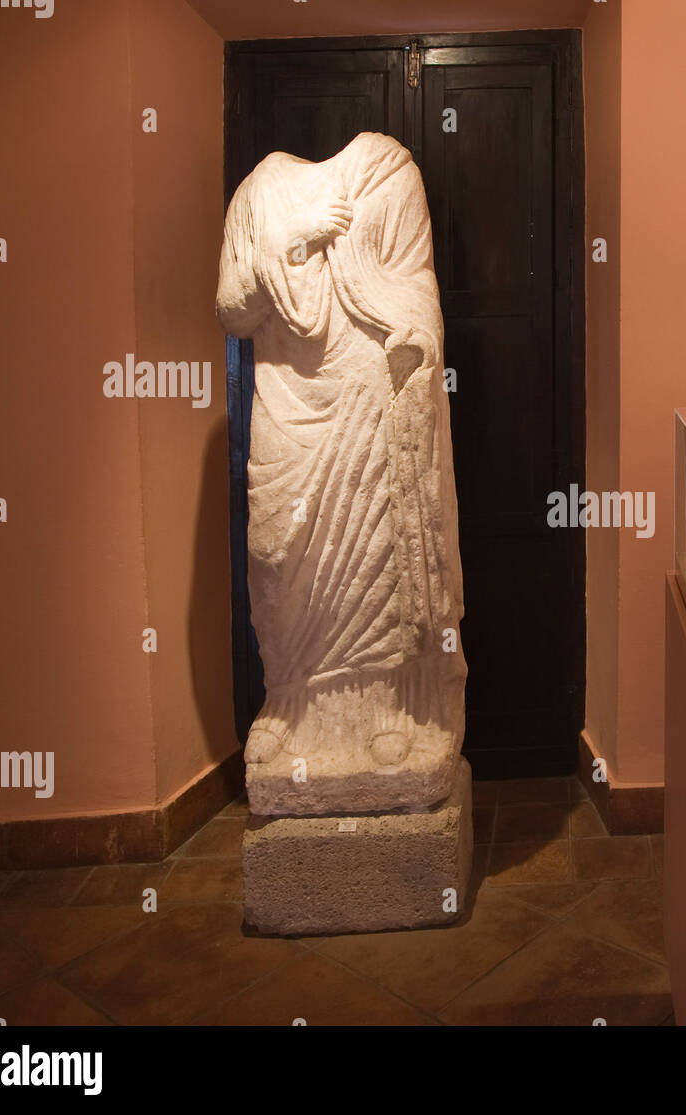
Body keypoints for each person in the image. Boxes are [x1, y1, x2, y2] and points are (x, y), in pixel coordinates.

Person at [216, 133, 466, 785]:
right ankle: (289, 699)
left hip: (367, 393)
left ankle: (385, 703)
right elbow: (232, 309)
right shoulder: (260, 191)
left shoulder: (389, 173)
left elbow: (415, 287)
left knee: (378, 552)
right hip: (286, 404)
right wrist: (291, 240)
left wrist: (413, 346)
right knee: (276, 554)